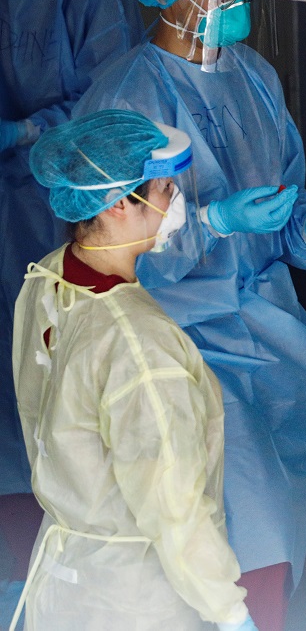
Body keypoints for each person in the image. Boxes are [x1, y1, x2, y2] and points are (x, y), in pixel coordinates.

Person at [72, 0, 306, 629]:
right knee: (238, 531)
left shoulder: (255, 78)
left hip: (273, 343)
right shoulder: (128, 95)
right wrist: (212, 221)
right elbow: (110, 246)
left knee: (275, 529)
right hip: (180, 342)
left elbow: (285, 205)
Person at [11, 109, 257, 630]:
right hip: (135, 602)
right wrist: (229, 611)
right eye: (167, 189)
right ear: (122, 203)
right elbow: (173, 505)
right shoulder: (139, 345)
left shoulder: (48, 277)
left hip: (67, 581)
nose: (177, 203)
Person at [0, 0, 143, 605]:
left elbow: (108, 108)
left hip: (64, 203)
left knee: (69, 367)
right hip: (12, 211)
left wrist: (28, 133)